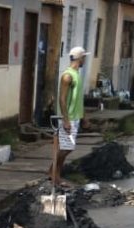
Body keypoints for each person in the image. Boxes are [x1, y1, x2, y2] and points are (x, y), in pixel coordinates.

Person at [51, 46, 89, 188]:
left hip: (75, 117)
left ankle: (54, 173)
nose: (84, 60)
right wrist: (66, 120)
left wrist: (84, 117)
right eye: (84, 57)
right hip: (69, 117)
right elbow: (62, 99)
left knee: (68, 147)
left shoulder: (77, 74)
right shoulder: (67, 76)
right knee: (66, 148)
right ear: (80, 58)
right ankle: (54, 173)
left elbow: (78, 99)